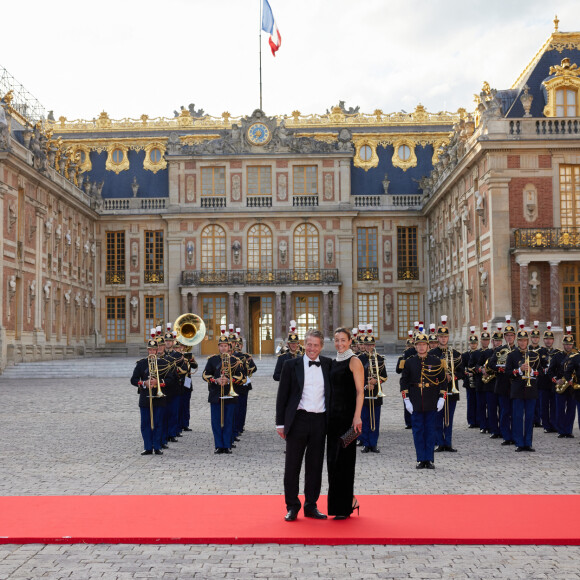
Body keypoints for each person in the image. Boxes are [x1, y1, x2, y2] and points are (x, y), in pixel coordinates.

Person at [276, 329, 332, 522]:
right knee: (292, 466)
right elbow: (282, 396)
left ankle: (311, 505)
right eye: (309, 344)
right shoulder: (290, 365)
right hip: (297, 420)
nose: (312, 348)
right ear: (304, 344)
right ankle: (292, 506)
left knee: (315, 467)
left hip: (320, 421)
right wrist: (280, 424)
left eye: (316, 345)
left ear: (321, 347)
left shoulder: (328, 364)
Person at [327, 328, 364, 519]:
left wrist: (357, 416)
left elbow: (360, 391)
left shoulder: (354, 361)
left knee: (345, 462)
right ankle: (343, 502)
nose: (340, 343)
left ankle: (346, 506)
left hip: (348, 420)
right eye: (336, 340)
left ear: (350, 341)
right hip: (333, 420)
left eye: (343, 340)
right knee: (332, 462)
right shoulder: (334, 362)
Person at [400, 332, 446, 469]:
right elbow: (404, 382)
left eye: (424, 344)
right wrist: (406, 400)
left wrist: (441, 399)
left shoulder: (436, 361)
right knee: (418, 431)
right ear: (415, 346)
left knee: (430, 431)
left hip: (431, 399)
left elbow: (443, 382)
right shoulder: (409, 362)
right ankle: (421, 458)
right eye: (419, 345)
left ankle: (429, 459)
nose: (421, 347)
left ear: (427, 346)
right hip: (415, 401)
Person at [202, 331, 246, 454]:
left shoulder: (235, 360)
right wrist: (215, 380)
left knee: (228, 421)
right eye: (221, 346)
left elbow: (242, 377)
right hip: (216, 394)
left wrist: (229, 380)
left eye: (225, 346)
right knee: (216, 421)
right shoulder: (212, 360)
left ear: (229, 347)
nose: (223, 348)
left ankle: (227, 445)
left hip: (230, 394)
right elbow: (205, 375)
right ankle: (218, 445)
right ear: (218, 347)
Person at [430, 315, 464, 453]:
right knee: (438, 418)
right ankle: (439, 442)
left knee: (449, 418)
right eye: (441, 337)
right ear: (437, 338)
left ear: (448, 338)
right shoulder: (431, 354)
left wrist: (454, 376)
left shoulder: (455, 353)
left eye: (445, 337)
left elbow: (462, 372)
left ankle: (448, 443)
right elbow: (429, 372)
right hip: (436, 391)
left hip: (451, 390)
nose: (443, 339)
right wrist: (443, 376)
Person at [505, 325, 541, 451]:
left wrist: (531, 371)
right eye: (520, 340)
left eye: (524, 340)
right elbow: (507, 373)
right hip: (517, 390)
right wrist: (519, 370)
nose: (522, 342)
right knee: (518, 417)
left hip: (531, 391)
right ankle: (519, 443)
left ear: (527, 341)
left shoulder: (534, 355)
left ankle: (528, 443)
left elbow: (540, 372)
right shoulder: (512, 355)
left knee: (530, 418)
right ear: (517, 341)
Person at [130, 338, 167, 455]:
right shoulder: (141, 364)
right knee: (145, 423)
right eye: (150, 350)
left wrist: (158, 382)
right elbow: (133, 379)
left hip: (159, 397)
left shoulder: (163, 363)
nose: (152, 352)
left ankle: (157, 446)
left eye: (154, 350)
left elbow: (170, 379)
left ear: (157, 350)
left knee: (158, 423)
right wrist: (144, 383)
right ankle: (147, 447)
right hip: (145, 397)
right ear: (147, 350)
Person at [488, 316, 517, 446]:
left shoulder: (518, 351)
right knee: (505, 411)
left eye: (511, 335)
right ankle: (506, 436)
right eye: (507, 336)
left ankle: (515, 435)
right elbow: (491, 364)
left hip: (516, 385)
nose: (509, 337)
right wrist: (499, 368)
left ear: (514, 337)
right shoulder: (499, 350)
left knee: (515, 413)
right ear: (504, 337)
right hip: (503, 384)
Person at [358, 328, 387, 453]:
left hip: (376, 393)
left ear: (374, 345)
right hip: (363, 393)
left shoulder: (380, 359)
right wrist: (365, 384)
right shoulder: (358, 359)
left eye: (371, 345)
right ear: (363, 345)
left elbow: (385, 376)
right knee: (364, 419)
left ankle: (373, 443)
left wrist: (376, 381)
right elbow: (355, 377)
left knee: (375, 419)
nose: (369, 347)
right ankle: (365, 443)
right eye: (367, 345)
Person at [538, 322, 558, 433]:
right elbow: (536, 366)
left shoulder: (557, 353)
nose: (548, 341)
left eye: (550, 339)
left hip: (553, 382)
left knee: (554, 405)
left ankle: (554, 424)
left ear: (553, 340)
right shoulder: (539, 352)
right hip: (543, 382)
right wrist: (543, 370)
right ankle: (546, 425)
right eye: (546, 339)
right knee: (543, 406)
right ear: (544, 340)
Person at [396, 330, 416, 429]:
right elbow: (398, 371)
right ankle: (408, 422)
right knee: (406, 402)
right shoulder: (402, 357)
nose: (410, 348)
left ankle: (414, 420)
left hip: (414, 381)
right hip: (406, 382)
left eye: (412, 347)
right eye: (409, 347)